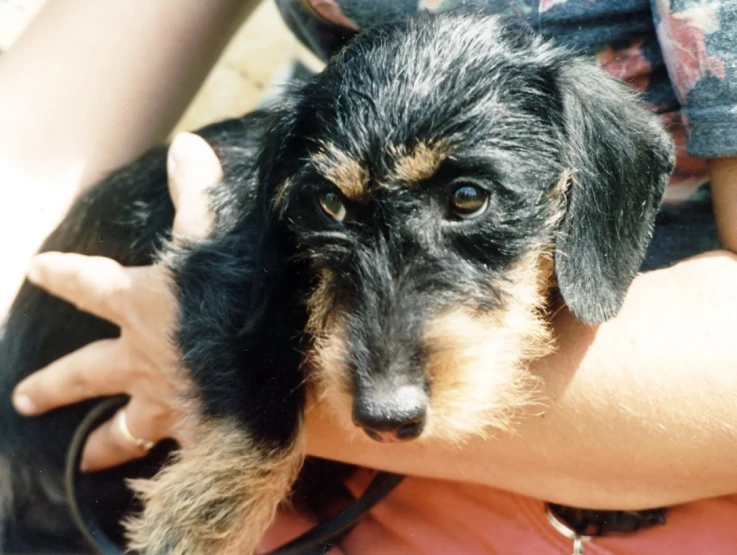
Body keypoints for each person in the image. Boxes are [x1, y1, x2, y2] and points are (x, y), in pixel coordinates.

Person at [2, 0, 737, 552]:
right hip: (85, 469)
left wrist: (235, 369)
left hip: (603, 472)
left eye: (467, 201)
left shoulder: (580, 129)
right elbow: (37, 140)